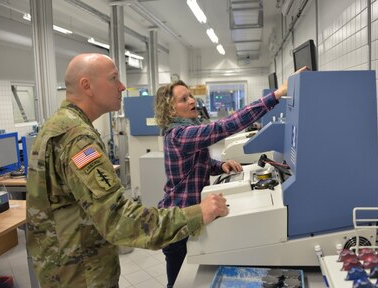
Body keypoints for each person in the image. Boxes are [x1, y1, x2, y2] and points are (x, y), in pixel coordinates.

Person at [25, 53, 229, 288]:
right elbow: (119, 219)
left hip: (67, 270)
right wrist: (197, 214)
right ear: (86, 86)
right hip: (80, 277)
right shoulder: (76, 138)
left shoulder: (59, 125)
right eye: (114, 79)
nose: (122, 86)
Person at [154, 67, 307, 288]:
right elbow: (225, 126)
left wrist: (220, 165)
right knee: (179, 283)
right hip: (179, 223)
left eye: (190, 96)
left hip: (190, 216)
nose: (191, 101)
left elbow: (199, 165)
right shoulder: (179, 135)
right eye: (183, 99)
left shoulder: (186, 131)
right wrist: (275, 96)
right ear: (170, 111)